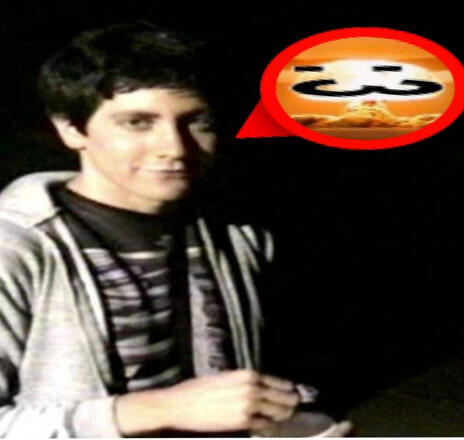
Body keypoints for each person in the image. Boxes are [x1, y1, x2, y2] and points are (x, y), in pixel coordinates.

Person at [0, 22, 301, 437]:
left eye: (196, 122)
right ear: (71, 129)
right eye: (138, 122)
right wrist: (157, 409)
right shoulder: (14, 247)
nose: (175, 148)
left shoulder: (236, 235)